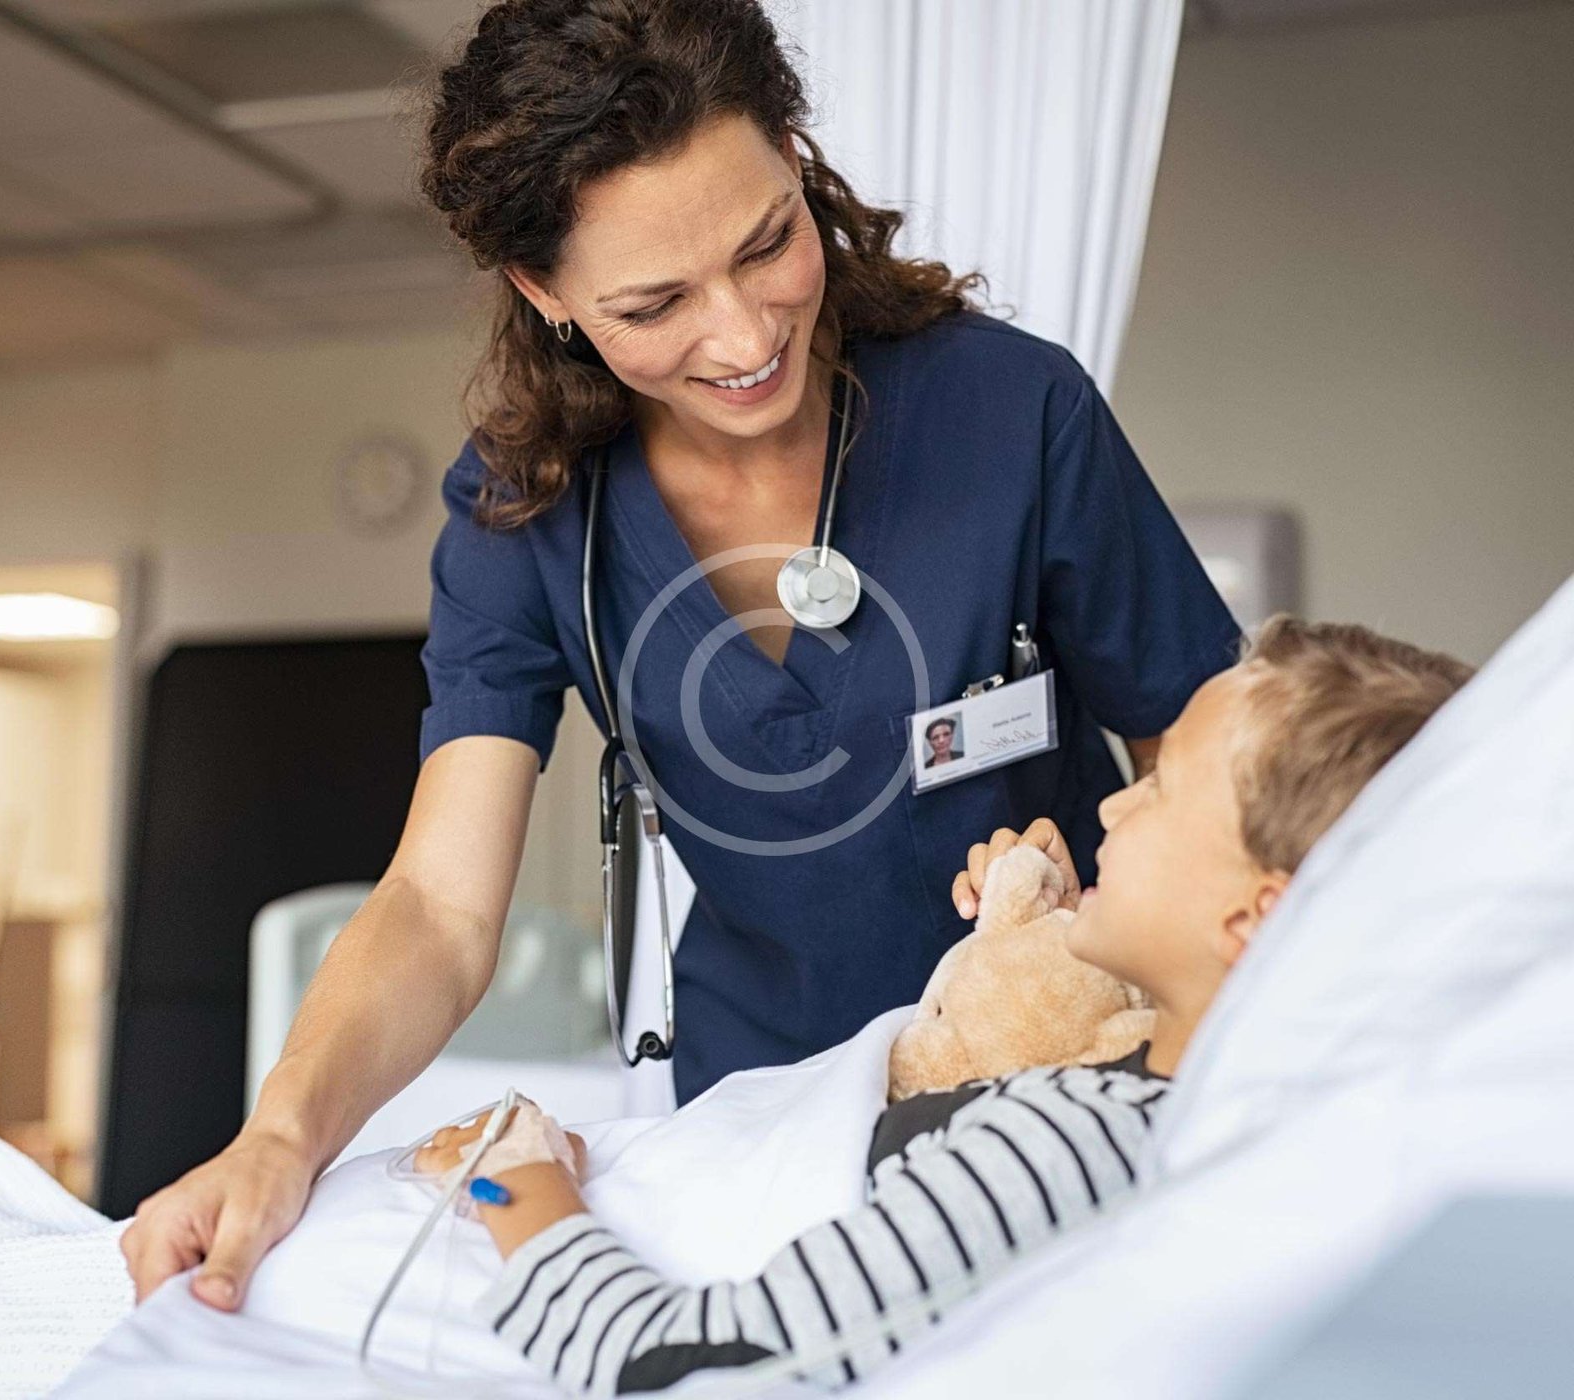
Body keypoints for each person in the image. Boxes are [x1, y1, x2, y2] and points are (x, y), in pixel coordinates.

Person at [121, 0, 1238, 1310]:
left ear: (792, 148)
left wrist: (1225, 1042)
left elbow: (1209, 755)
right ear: (548, 294)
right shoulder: (527, 512)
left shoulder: (1010, 412)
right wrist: (282, 1135)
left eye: (767, 241)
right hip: (762, 1117)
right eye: (655, 303)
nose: (745, 335)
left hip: (1058, 1080)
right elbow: (438, 904)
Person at [412, 618, 1474, 1395]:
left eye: (1158, 790)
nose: (1108, 804)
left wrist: (515, 1178)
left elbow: (677, 1365)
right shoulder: (1168, 1107)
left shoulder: (1072, 1144)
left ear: (1255, 919)